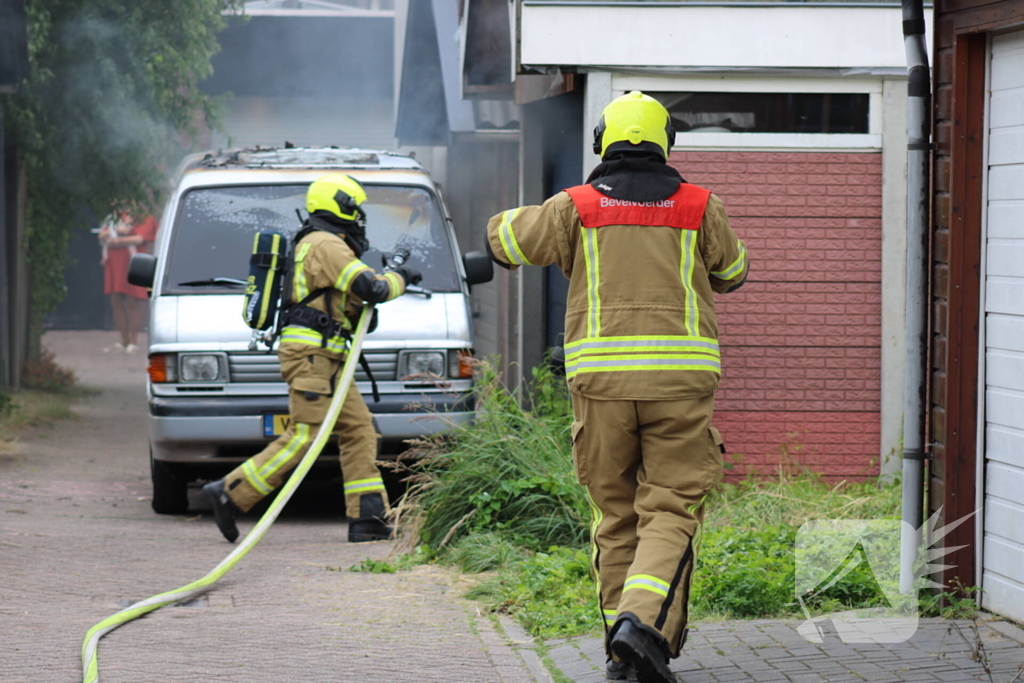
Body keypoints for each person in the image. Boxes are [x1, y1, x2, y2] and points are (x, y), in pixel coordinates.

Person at [484, 91, 748, 683]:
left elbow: (504, 243)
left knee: (615, 517)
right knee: (670, 509)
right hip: (680, 386)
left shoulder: (574, 206)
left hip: (600, 388)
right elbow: (732, 273)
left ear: (603, 141)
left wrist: (499, 222)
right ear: (666, 143)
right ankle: (641, 626)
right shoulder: (701, 206)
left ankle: (624, 657)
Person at [203, 174, 422, 544]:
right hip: (312, 358)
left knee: (358, 430)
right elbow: (372, 287)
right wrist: (400, 276)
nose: (359, 218)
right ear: (340, 206)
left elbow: (354, 303)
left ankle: (367, 518)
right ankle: (230, 492)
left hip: (328, 358)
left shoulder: (323, 244)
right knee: (305, 435)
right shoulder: (325, 244)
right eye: (356, 210)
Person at [100, 212, 158, 353]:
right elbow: (102, 236)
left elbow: (139, 239)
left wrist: (115, 240)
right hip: (114, 262)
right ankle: (123, 340)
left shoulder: (144, 217)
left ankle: (134, 341)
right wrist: (118, 232)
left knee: (134, 300)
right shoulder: (114, 218)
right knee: (116, 299)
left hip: (135, 261)